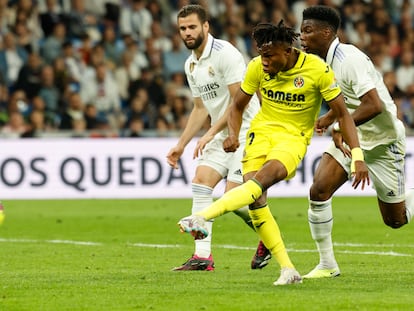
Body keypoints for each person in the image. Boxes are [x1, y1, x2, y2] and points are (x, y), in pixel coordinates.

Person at [177, 20, 370, 286]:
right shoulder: (257, 67)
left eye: (269, 56)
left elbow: (343, 114)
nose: (264, 61)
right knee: (256, 202)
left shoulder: (316, 69)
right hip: (260, 134)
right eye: (260, 55)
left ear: (287, 51)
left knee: (259, 183)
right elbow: (236, 106)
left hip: (292, 138)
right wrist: (233, 135)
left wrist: (357, 156)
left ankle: (201, 216)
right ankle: (288, 269)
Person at [299, 5, 414, 279]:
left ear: (326, 32)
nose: (302, 37)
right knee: (319, 190)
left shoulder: (348, 58)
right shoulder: (322, 62)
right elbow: (346, 100)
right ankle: (328, 265)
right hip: (355, 135)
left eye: (307, 31)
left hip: (385, 141)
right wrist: (330, 118)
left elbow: (373, 105)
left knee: (396, 221)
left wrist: (339, 125)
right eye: (301, 31)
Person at [166, 4, 267, 272]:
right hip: (221, 134)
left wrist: (210, 132)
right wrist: (181, 144)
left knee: (231, 198)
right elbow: (200, 109)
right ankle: (202, 257)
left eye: (192, 27)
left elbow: (239, 102)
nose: (187, 33)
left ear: (206, 26)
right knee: (201, 183)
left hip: (246, 132)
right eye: (183, 29)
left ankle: (266, 234)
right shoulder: (191, 64)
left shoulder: (226, 54)